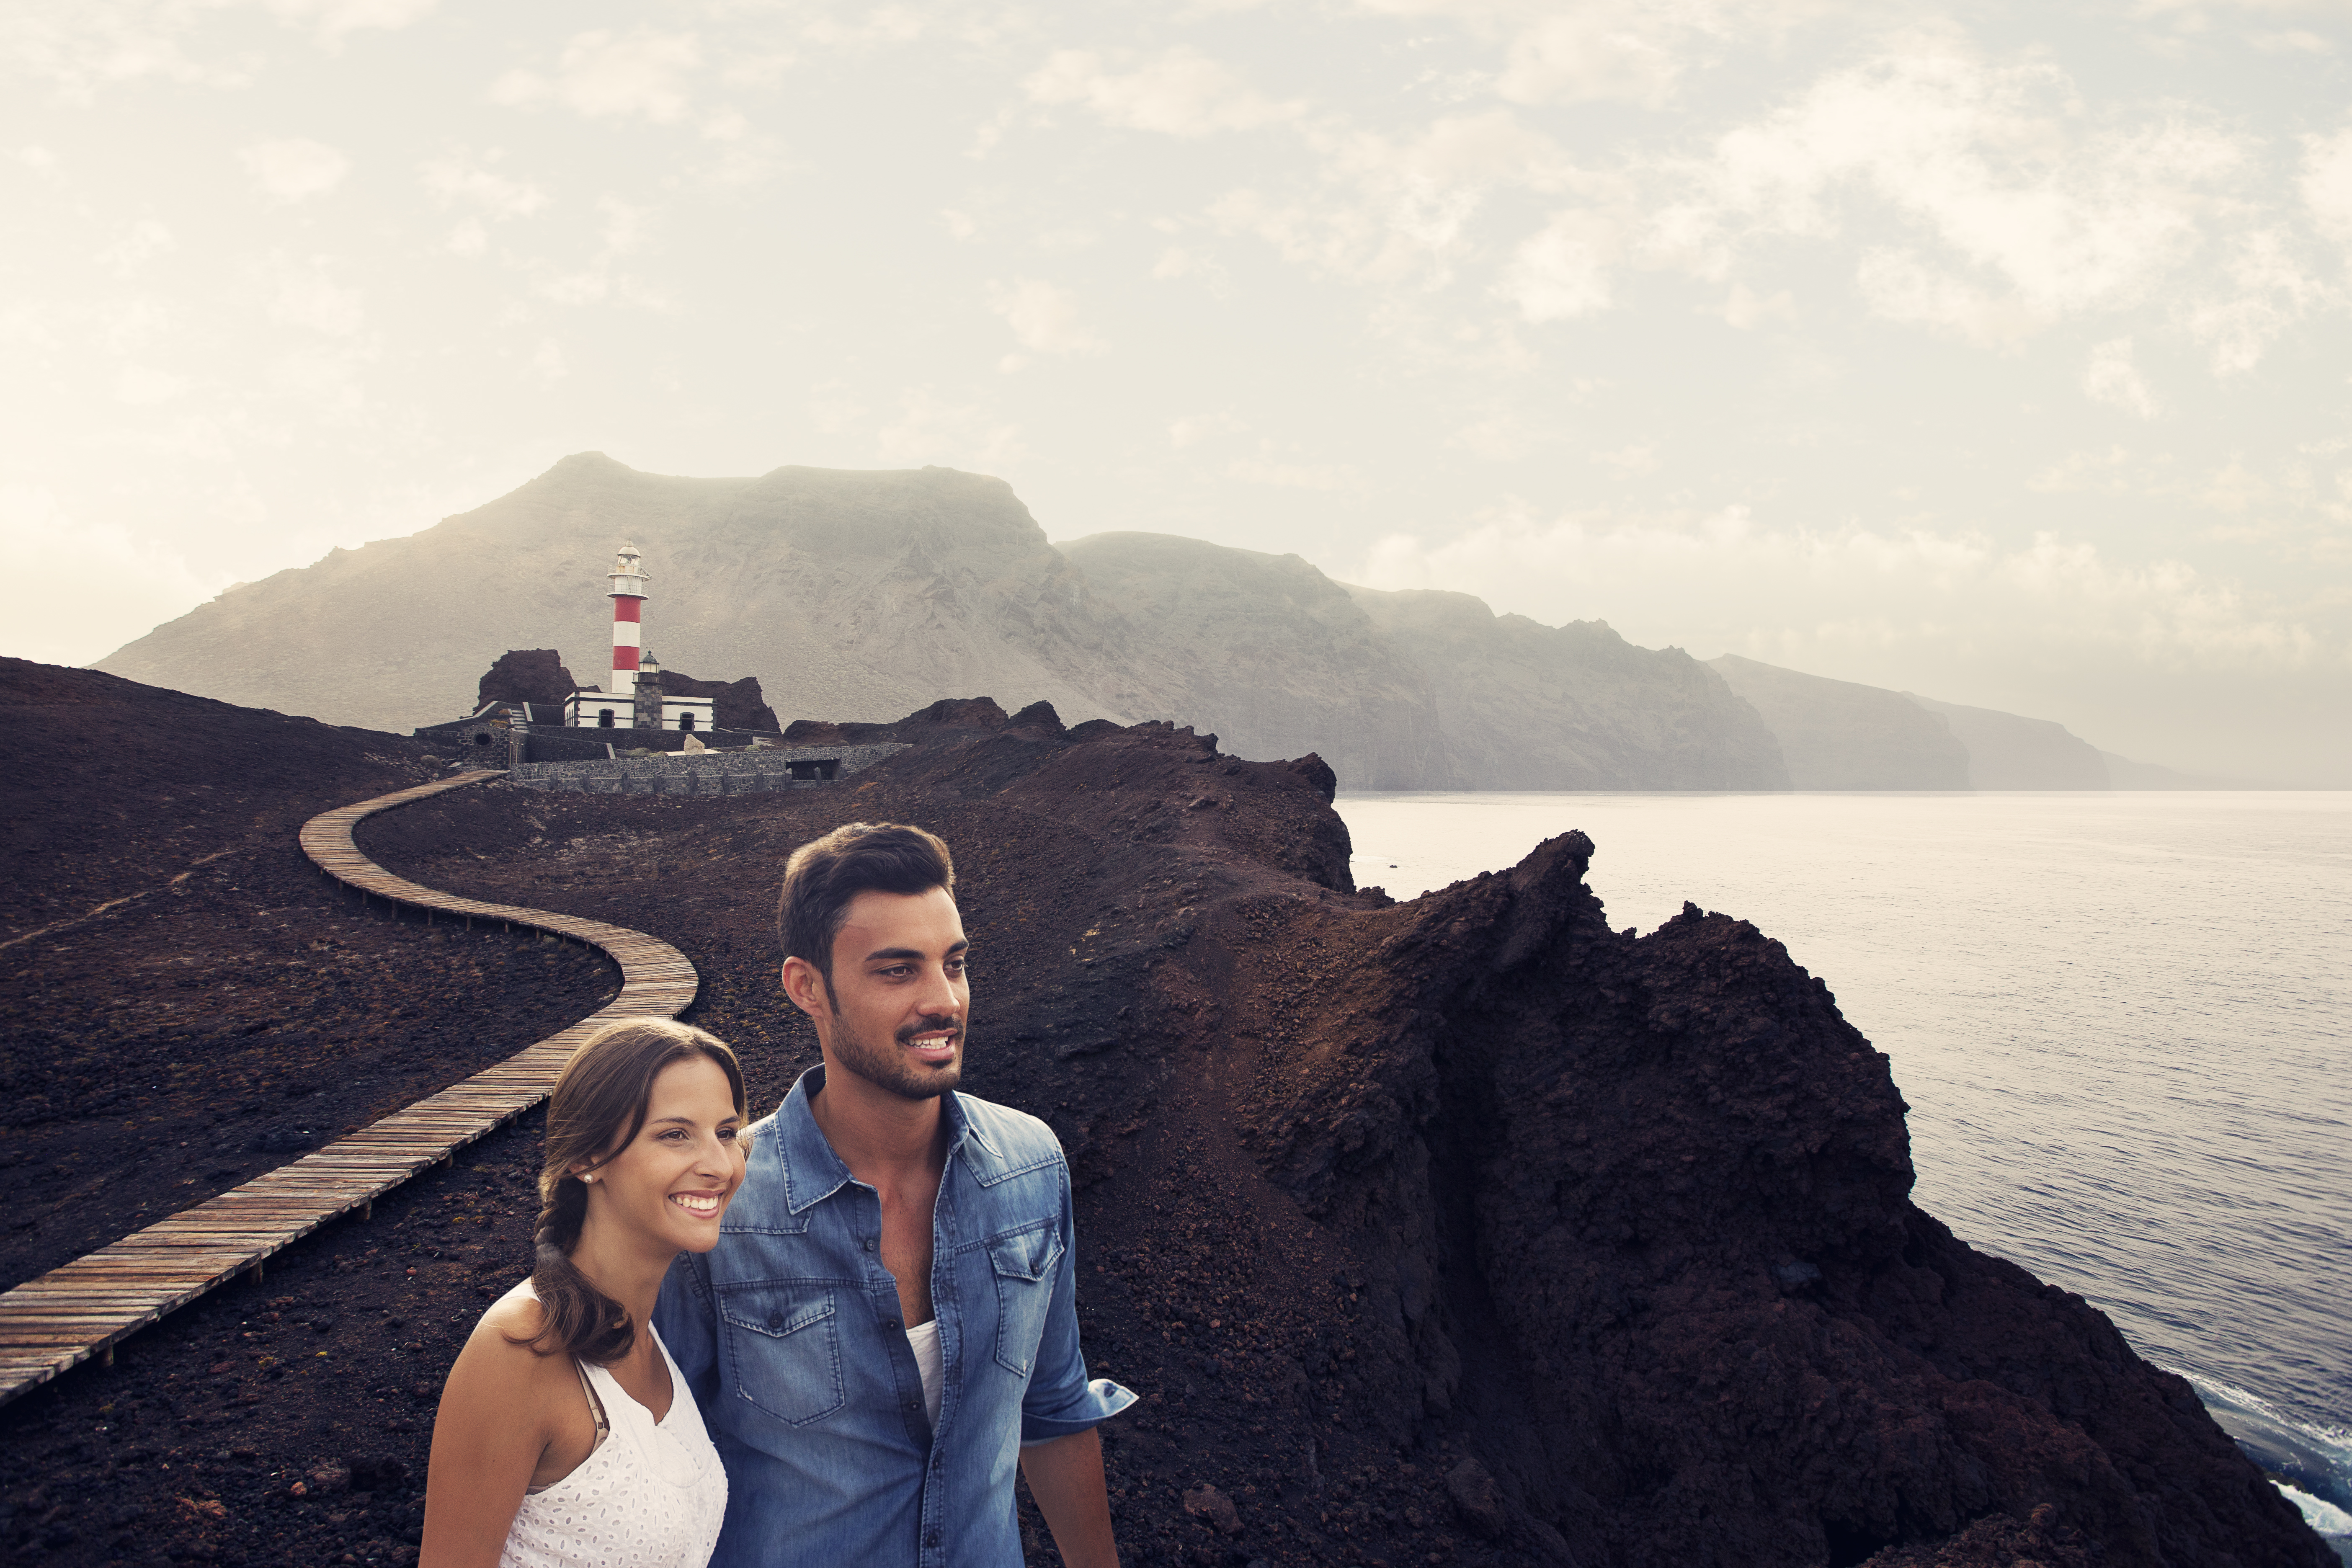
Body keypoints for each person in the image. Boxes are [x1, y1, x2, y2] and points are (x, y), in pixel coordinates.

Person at [654, 822, 1133, 1568]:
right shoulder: (719, 1202)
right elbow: (651, 1463)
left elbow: (1055, 1410)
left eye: (955, 964)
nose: (944, 1002)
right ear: (807, 987)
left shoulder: (1032, 1166)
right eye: (897, 971)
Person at [422, 1018, 747, 1568]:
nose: (719, 1165)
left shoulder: (648, 1331)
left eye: (726, 1132)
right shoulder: (519, 1349)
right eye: (675, 1134)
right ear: (587, 1159)